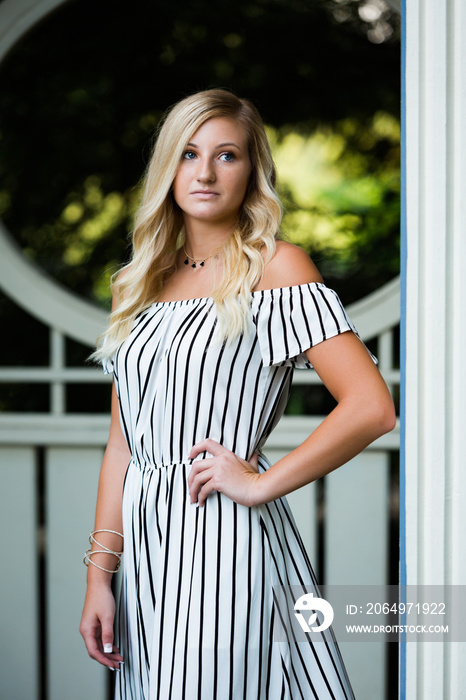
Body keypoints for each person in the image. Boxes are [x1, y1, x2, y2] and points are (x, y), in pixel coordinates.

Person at [79, 88, 396, 699]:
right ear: (167, 166)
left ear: (252, 172)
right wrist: (100, 576)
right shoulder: (134, 285)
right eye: (189, 153)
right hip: (145, 555)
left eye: (227, 155)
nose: (204, 172)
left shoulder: (275, 269)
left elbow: (371, 406)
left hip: (225, 541)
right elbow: (123, 445)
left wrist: (258, 484)